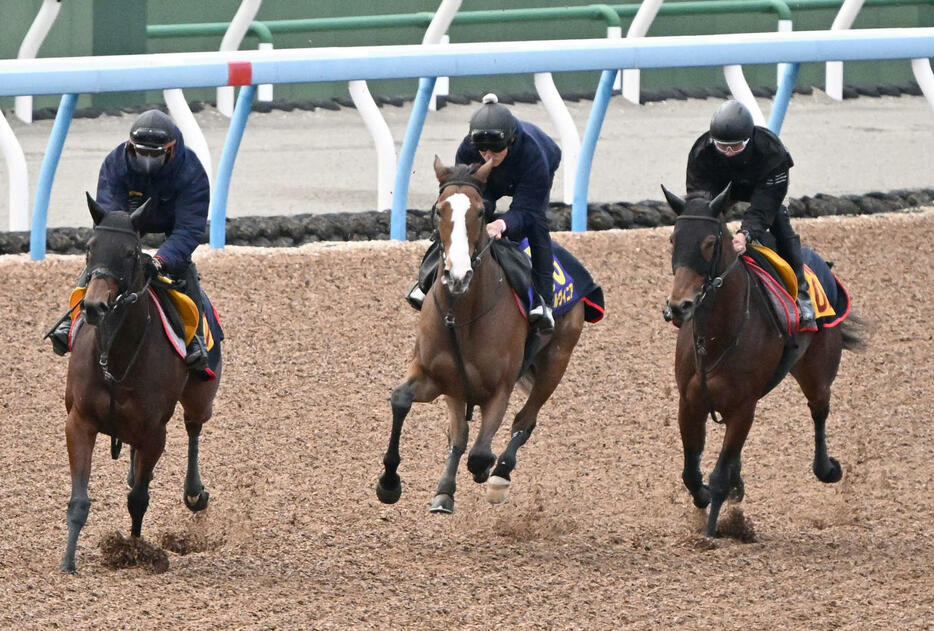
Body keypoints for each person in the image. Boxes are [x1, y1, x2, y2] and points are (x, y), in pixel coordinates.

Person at [49, 109, 212, 370]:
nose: (147, 159)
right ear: (131, 146)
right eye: (141, 152)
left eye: (154, 154)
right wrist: (118, 242)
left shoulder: (192, 172)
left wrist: (160, 261)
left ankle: (197, 343)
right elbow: (108, 217)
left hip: (172, 224)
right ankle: (70, 322)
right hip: (127, 220)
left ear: (170, 150)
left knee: (184, 269)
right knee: (103, 260)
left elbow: (189, 229)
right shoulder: (116, 162)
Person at [406, 93, 560, 331]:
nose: (488, 156)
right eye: (483, 150)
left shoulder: (533, 155)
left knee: (535, 226)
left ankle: (544, 303)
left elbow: (526, 210)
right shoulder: (468, 150)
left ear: (510, 141)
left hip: (531, 171)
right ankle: (424, 282)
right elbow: (465, 194)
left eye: (495, 150)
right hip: (489, 182)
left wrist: (502, 225)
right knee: (460, 217)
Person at [686, 99, 816, 329]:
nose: (727, 153)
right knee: (699, 228)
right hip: (720, 186)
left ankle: (802, 295)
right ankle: (688, 288)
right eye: (722, 146)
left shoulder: (772, 152)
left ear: (749, 139)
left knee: (781, 226)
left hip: (762, 185)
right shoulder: (701, 152)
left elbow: (762, 208)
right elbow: (699, 198)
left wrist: (745, 234)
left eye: (735, 147)